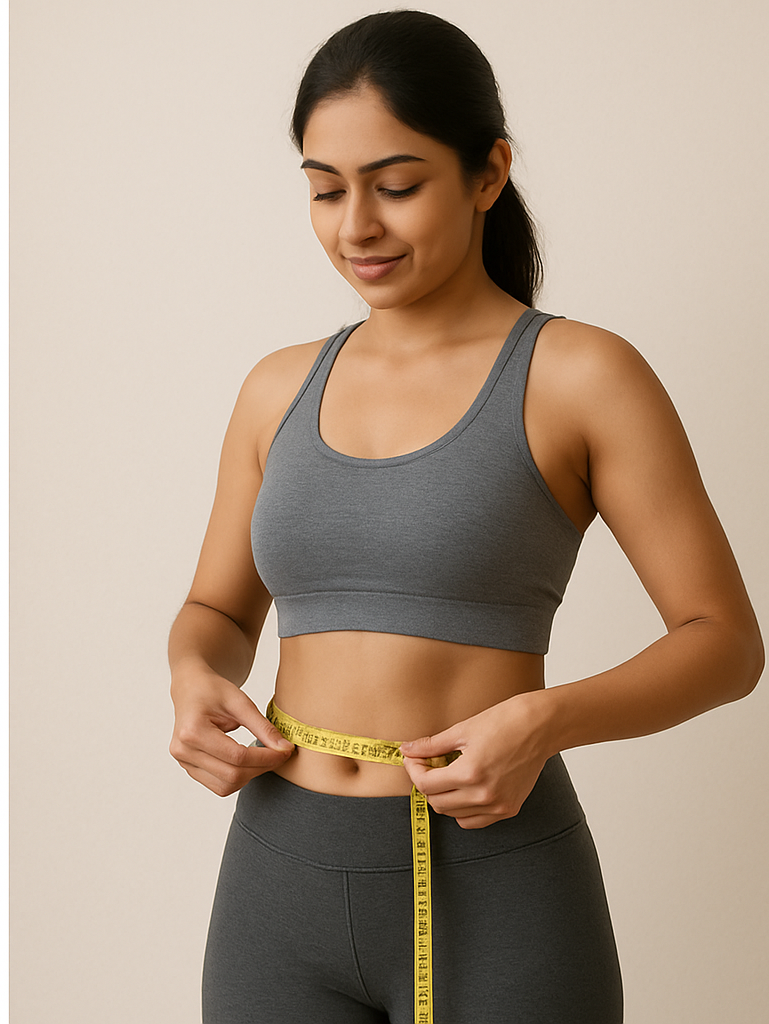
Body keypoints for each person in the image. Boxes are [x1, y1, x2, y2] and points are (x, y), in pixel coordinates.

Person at [167, 11, 763, 1024]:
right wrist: (194, 675)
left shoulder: (579, 377)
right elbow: (215, 608)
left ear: (489, 172)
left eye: (396, 185)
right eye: (324, 188)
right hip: (278, 881)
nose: (356, 225)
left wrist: (545, 718)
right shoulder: (276, 389)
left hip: (496, 883)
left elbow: (726, 643)